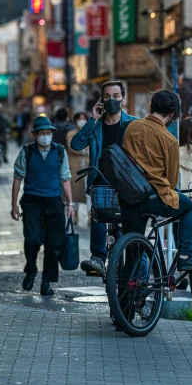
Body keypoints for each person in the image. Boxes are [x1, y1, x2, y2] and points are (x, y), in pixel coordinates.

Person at [120, 90, 192, 271]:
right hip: (155, 197)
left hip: (128, 195)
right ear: (173, 114)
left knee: (132, 255)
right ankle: (185, 255)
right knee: (188, 207)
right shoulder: (169, 140)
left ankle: (125, 297)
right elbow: (171, 181)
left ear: (152, 106)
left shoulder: (131, 127)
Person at [70, 81, 137, 276]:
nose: (112, 100)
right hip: (101, 181)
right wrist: (92, 119)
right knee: (99, 214)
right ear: (101, 100)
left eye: (116, 96)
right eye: (107, 96)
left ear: (123, 99)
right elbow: (76, 144)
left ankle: (139, 273)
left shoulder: (133, 124)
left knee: (132, 227)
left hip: (128, 183)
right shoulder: (96, 125)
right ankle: (98, 257)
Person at [11, 114, 75, 296]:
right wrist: (14, 205)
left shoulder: (60, 152)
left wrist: (70, 204)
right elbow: (17, 178)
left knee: (53, 244)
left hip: (54, 201)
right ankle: (31, 268)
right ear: (35, 135)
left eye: (48, 132)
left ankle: (46, 282)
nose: (46, 136)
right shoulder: (27, 151)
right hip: (32, 200)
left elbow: (65, 179)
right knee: (32, 238)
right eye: (42, 133)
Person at [66, 112, 90, 227]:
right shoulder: (71, 134)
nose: (82, 120)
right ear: (75, 121)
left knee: (89, 192)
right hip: (75, 166)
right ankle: (74, 214)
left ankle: (90, 215)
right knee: (74, 192)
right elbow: (73, 148)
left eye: (84, 118)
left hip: (88, 166)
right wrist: (85, 150)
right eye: (79, 118)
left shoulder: (90, 133)